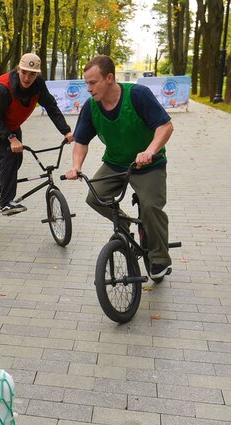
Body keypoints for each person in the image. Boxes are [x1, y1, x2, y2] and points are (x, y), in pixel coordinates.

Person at [64, 55, 174, 279]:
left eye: (93, 83)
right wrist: (76, 166)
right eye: (86, 83)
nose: (89, 89)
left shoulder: (137, 95)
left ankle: (159, 258)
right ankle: (125, 227)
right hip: (115, 163)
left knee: (151, 206)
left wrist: (150, 151)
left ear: (110, 78)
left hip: (148, 165)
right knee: (95, 196)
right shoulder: (91, 107)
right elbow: (81, 142)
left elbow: (165, 126)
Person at [0, 53, 75, 215]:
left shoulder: (38, 85)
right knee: (9, 154)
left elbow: (51, 107)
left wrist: (66, 131)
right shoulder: (3, 87)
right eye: (24, 72)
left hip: (11, 123)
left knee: (17, 157)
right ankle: (6, 202)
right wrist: (11, 138)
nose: (27, 78)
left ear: (37, 74)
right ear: (18, 69)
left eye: (32, 74)